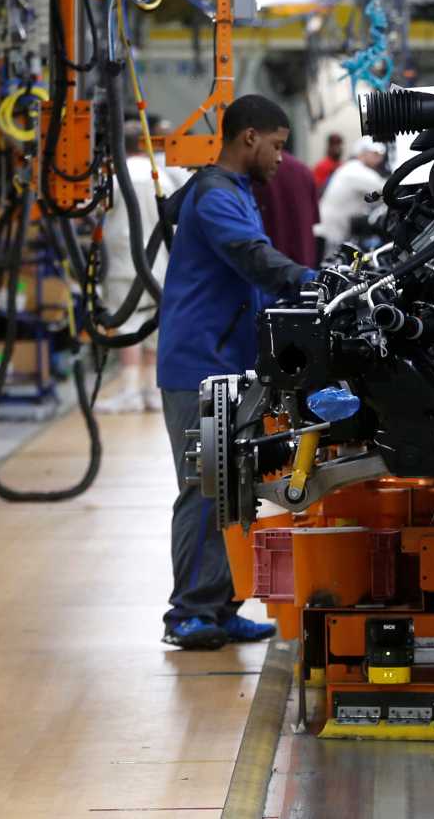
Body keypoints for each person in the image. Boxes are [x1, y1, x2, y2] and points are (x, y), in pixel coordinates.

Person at [156, 95, 318, 650]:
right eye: (276, 145)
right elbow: (252, 258)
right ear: (249, 137)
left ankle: (222, 607)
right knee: (203, 487)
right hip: (198, 361)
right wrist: (315, 282)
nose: (280, 158)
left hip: (227, 359)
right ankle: (188, 612)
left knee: (234, 487)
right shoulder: (216, 197)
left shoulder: (237, 193)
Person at [97, 129, 189, 414]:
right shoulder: (160, 175)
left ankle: (129, 392)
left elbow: (96, 213)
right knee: (153, 326)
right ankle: (151, 392)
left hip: (124, 264)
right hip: (159, 263)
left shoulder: (115, 177)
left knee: (127, 325)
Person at [317, 138, 387, 253]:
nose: (380, 158)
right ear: (363, 153)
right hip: (330, 232)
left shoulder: (351, 168)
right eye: (375, 154)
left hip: (333, 229)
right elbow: (385, 189)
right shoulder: (356, 170)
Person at [255, 149, 320, 268]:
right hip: (303, 266)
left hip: (271, 267)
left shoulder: (258, 174)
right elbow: (314, 220)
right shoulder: (305, 171)